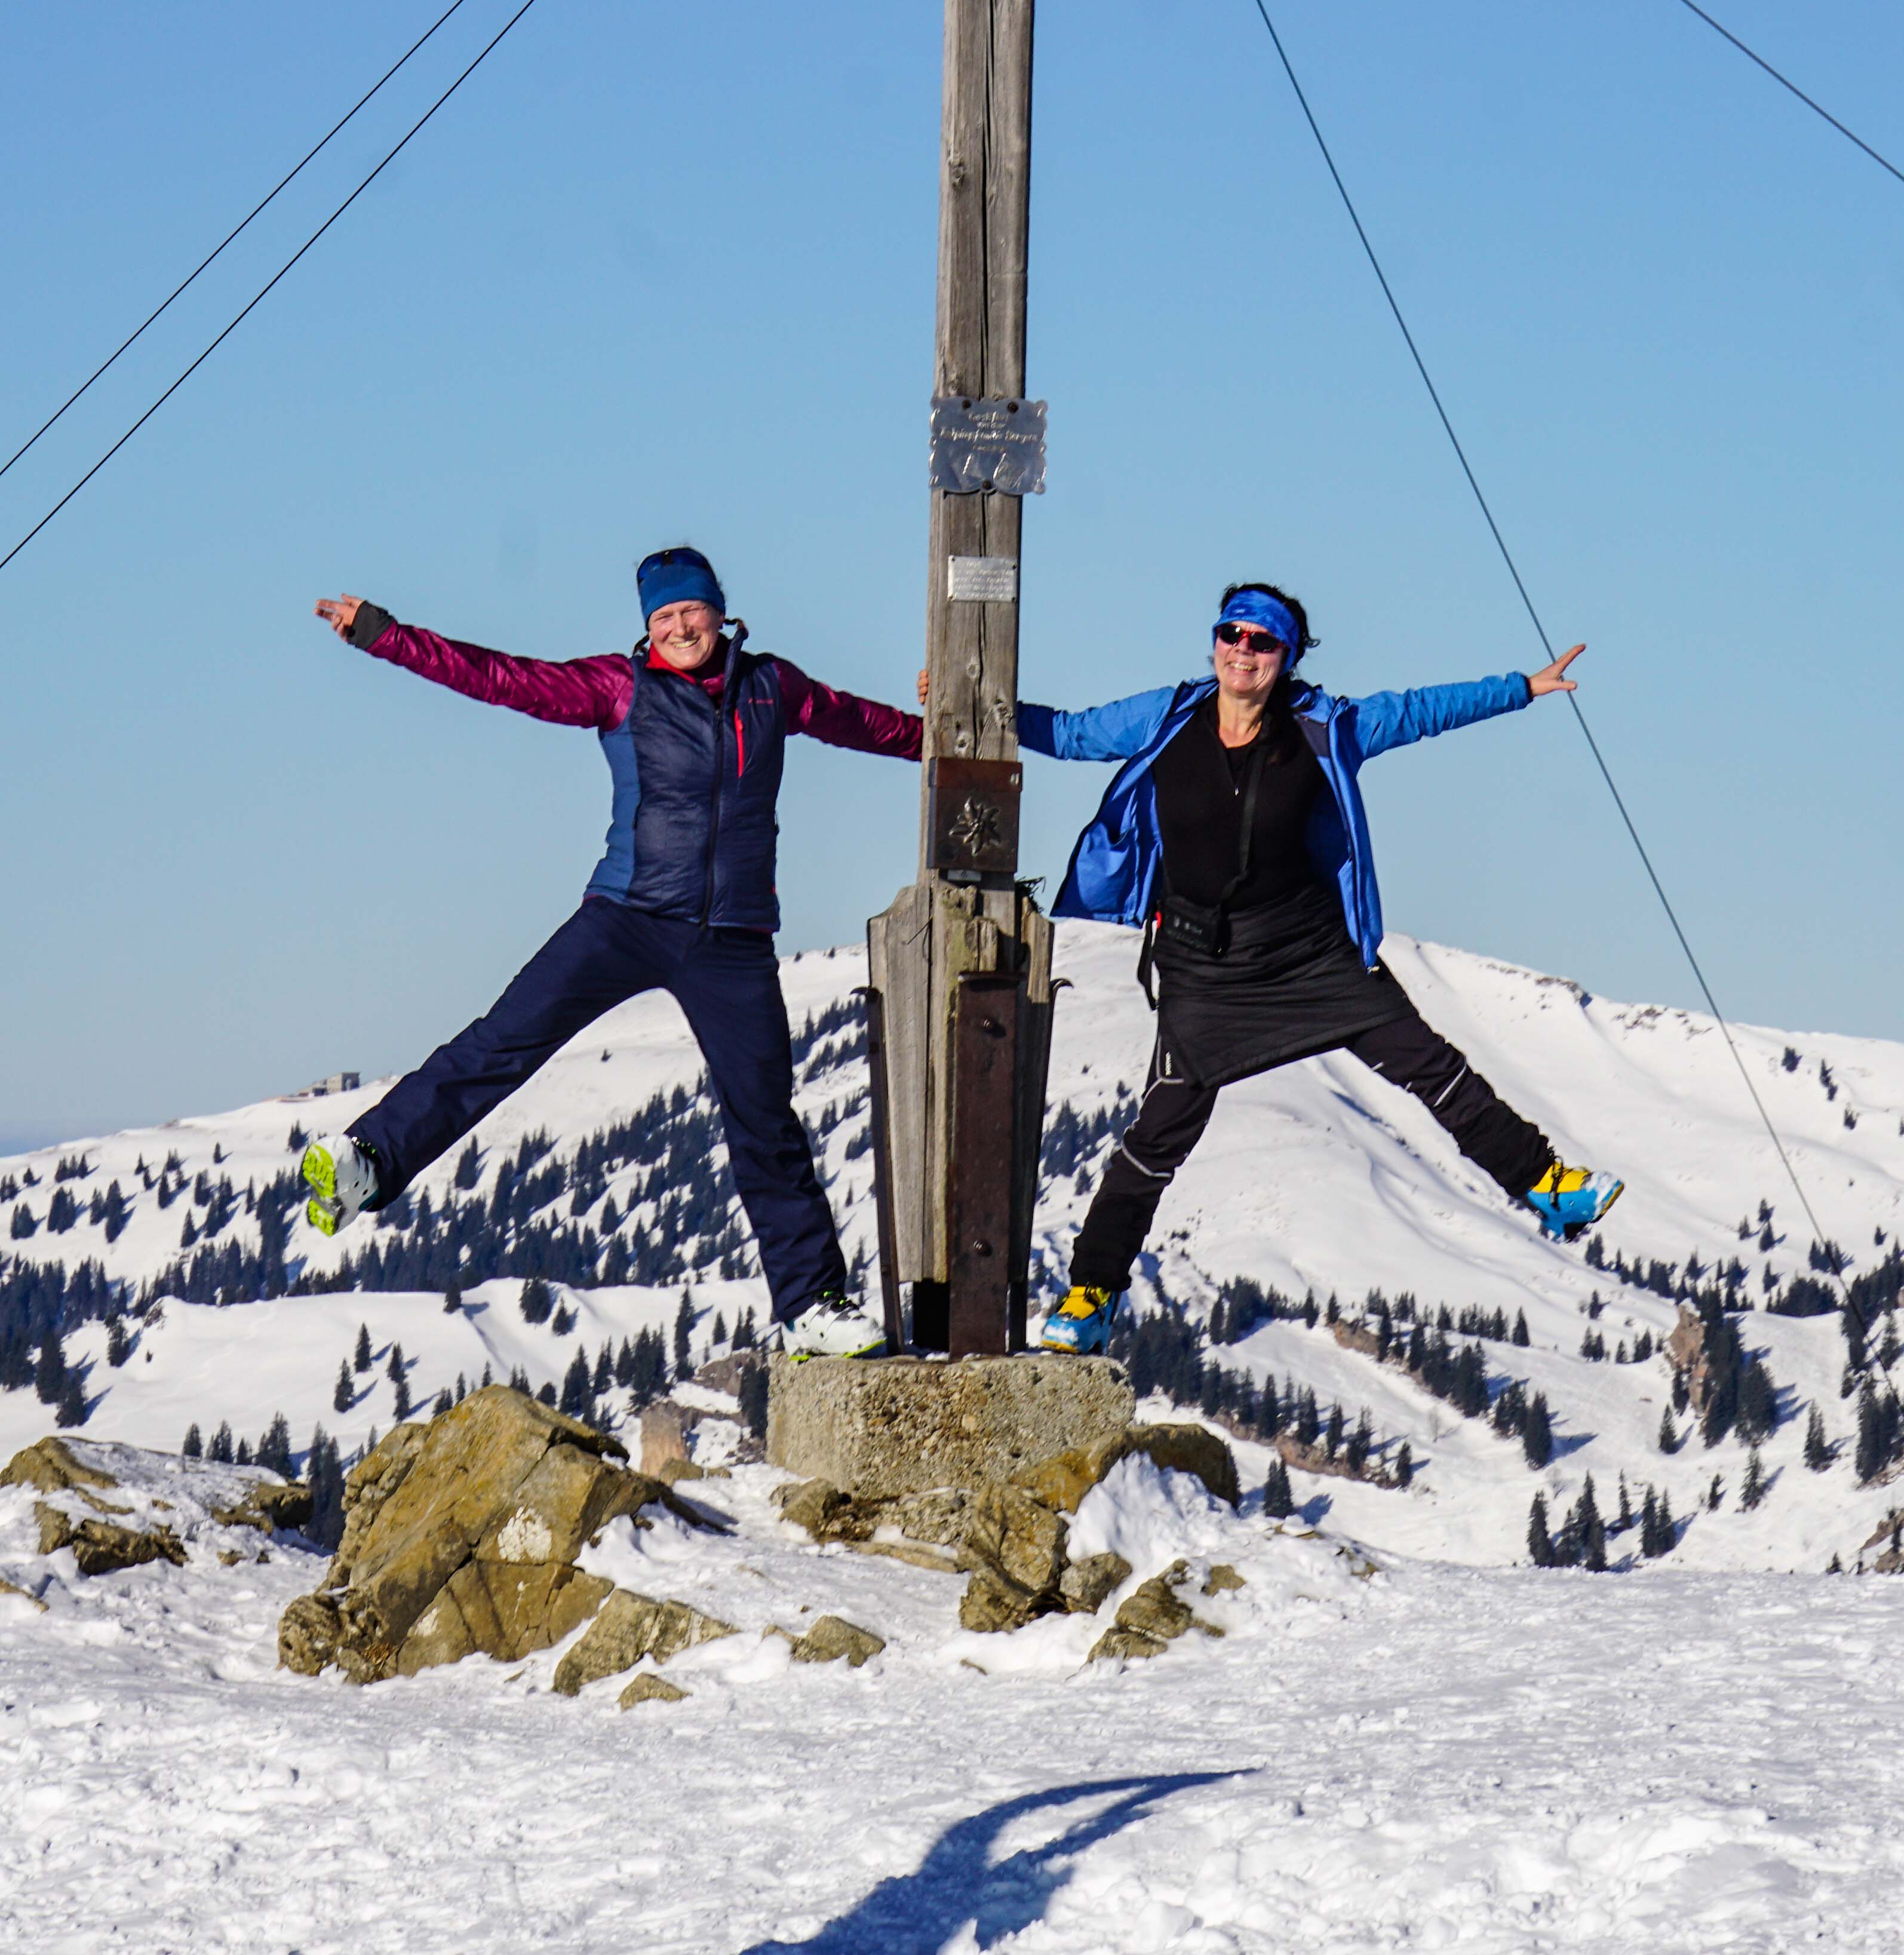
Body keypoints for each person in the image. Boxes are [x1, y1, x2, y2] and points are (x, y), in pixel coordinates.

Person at [298, 544, 920, 1359]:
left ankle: (810, 1305)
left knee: (764, 1120)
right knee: (505, 1040)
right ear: (647, 629)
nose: (680, 627)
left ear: (719, 613)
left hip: (732, 939)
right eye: (663, 618)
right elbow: (500, 678)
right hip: (626, 914)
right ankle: (371, 1159)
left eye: (691, 612)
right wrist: (384, 635)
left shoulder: (773, 687)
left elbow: (864, 724)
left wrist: (939, 727)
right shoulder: (618, 688)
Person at [1018, 581, 1623, 1354]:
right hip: (1204, 966)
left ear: (1287, 657)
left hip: (1312, 953)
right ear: (1215, 643)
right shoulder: (1167, 719)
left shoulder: (1323, 727)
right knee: (1157, 1137)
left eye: (1262, 642)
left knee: (1431, 1067)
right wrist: (971, 709)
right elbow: (1070, 735)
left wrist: (1523, 689)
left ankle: (1549, 1187)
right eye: (1232, 634)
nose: (1243, 651)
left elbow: (1419, 711)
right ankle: (1091, 1294)